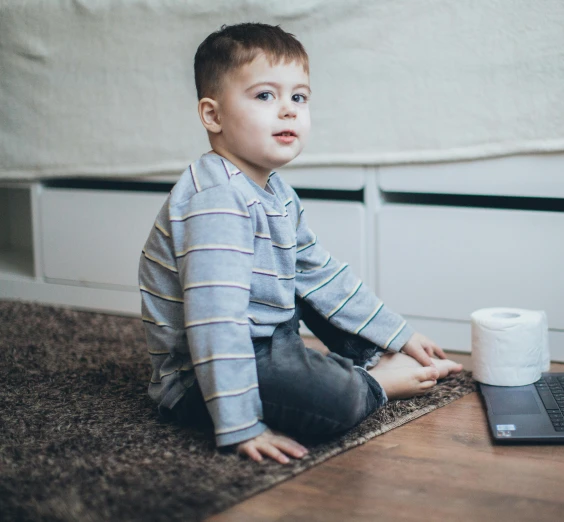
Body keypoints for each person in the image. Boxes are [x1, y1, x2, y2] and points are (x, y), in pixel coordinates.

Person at [138, 23, 462, 465]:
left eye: (299, 97)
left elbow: (321, 274)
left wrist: (396, 332)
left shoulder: (275, 191)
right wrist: (241, 426)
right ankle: (376, 382)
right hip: (201, 376)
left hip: (267, 338)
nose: (288, 111)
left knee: (314, 286)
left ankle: (371, 357)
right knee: (334, 400)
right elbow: (215, 323)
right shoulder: (216, 201)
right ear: (212, 115)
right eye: (265, 96)